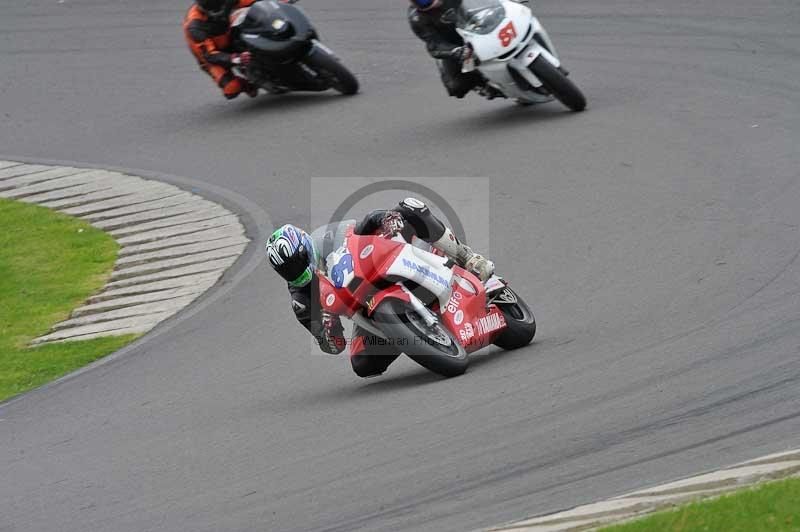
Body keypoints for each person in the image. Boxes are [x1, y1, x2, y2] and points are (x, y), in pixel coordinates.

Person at [265, 198, 495, 378]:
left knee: (409, 207)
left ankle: (467, 258)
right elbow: (332, 346)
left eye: (298, 261)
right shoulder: (302, 301)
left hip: (379, 267)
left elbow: (365, 223)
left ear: (305, 244)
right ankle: (415, 337)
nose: (295, 271)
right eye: (288, 270)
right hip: (366, 312)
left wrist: (386, 219)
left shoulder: (326, 238)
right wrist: (327, 331)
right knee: (363, 364)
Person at [408, 0, 501, 99]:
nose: (424, 2)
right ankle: (482, 85)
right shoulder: (417, 18)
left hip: (482, 27)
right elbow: (434, 45)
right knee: (456, 87)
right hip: (459, 46)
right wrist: (456, 51)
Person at [183, 0, 260, 100]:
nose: (219, 14)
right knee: (231, 89)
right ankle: (246, 84)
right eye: (214, 12)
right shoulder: (195, 27)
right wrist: (236, 58)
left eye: (221, 7)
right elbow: (210, 55)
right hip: (211, 55)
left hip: (229, 35)